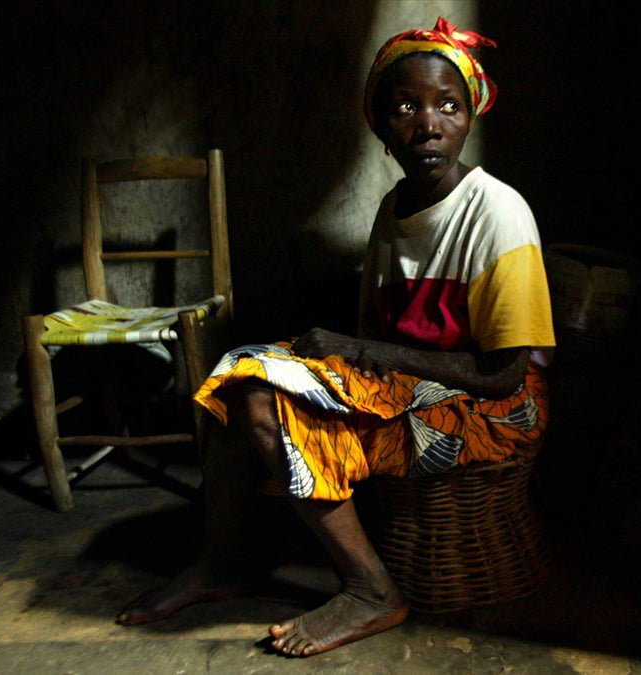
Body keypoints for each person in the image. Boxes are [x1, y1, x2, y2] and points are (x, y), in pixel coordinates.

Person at [116, 16, 556, 658]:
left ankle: (371, 588)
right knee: (237, 381)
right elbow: (375, 341)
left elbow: (506, 375)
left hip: (495, 406)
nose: (429, 124)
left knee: (265, 398)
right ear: (380, 126)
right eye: (406, 106)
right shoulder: (395, 208)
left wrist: (357, 355)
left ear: (469, 116)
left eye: (448, 106)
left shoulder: (498, 212)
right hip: (411, 387)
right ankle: (221, 564)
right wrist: (348, 362)